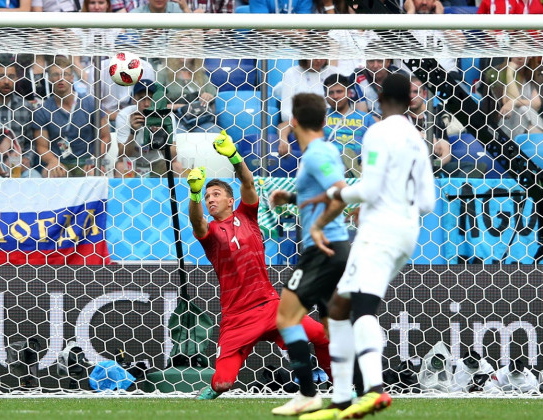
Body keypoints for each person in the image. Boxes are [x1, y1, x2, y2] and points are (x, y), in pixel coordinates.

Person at [299, 74, 435, 419]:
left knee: (362, 305)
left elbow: (371, 190)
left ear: (379, 98)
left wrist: (336, 194)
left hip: (380, 230)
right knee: (341, 305)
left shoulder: (377, 131)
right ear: (408, 100)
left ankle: (373, 389)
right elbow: (428, 201)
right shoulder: (417, 140)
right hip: (407, 230)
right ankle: (342, 398)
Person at [186, 130, 331, 400]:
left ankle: (345, 386)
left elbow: (248, 184)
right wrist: (194, 195)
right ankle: (215, 386)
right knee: (223, 384)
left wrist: (233, 156)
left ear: (231, 201)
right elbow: (197, 222)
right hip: (237, 318)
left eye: (215, 194)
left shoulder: (247, 216)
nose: (210, 200)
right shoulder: (211, 233)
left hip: (271, 306)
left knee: (323, 336)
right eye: (207, 197)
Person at [266, 93, 350, 416]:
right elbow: (323, 193)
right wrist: (289, 197)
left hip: (323, 249)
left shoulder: (317, 154)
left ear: (294, 122)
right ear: (324, 121)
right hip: (334, 248)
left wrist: (318, 228)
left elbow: (340, 193)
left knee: (286, 317)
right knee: (333, 326)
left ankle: (307, 393)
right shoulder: (320, 153)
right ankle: (351, 391)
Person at [33, 56, 111, 177]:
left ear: (72, 78)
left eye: (65, 74)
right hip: (60, 162)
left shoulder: (90, 103)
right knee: (50, 173)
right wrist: (53, 161)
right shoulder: (43, 110)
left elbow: (105, 137)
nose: (61, 79)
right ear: (49, 79)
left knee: (94, 173)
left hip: (87, 161)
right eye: (55, 75)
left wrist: (95, 159)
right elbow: (42, 146)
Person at [115, 79, 182, 177]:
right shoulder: (124, 115)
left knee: (176, 166)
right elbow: (122, 157)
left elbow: (172, 156)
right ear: (134, 100)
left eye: (151, 98)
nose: (146, 104)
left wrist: (161, 136)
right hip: (133, 163)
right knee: (121, 166)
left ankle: (173, 193)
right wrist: (133, 132)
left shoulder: (167, 116)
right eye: (142, 98)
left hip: (157, 162)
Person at [278, 59, 337, 156]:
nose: (318, 60)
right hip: (304, 123)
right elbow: (285, 115)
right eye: (314, 57)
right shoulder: (292, 73)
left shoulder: (333, 72)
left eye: (321, 56)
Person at [323, 73, 376, 178]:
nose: (335, 96)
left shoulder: (366, 118)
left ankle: (353, 171)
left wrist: (369, 165)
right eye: (331, 93)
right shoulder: (320, 116)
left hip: (359, 163)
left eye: (339, 92)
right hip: (328, 165)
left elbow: (376, 146)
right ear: (325, 95)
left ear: (348, 93)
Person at [157, 57, 219, 133]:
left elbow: (213, 95)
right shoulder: (163, 74)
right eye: (181, 46)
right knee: (179, 137)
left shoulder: (201, 75)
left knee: (215, 135)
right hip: (173, 117)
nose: (184, 51)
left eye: (189, 47)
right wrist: (179, 107)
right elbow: (155, 103)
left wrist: (208, 96)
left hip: (198, 118)